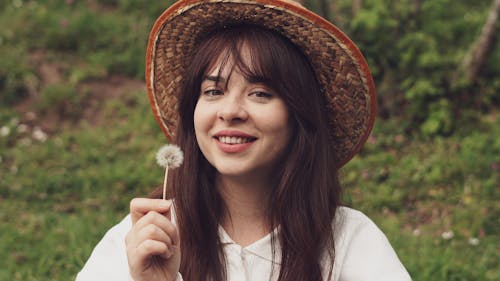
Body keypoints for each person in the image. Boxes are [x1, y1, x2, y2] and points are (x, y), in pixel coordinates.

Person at [76, 0, 412, 280]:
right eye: (213, 91)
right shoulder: (145, 240)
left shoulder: (350, 242)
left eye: (260, 93)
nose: (230, 111)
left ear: (300, 114)